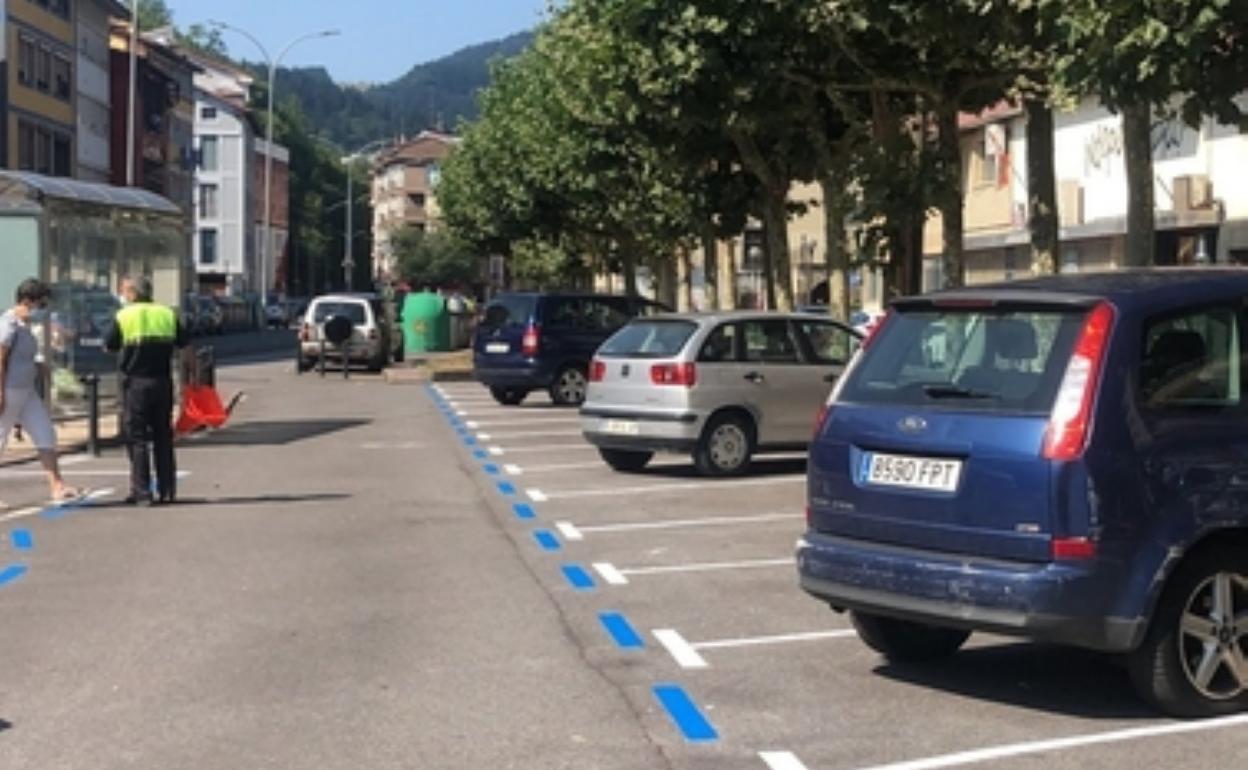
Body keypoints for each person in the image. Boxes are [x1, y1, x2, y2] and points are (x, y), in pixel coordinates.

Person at [105, 276, 188, 506]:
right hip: (162, 381)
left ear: (133, 293)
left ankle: (142, 491)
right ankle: (167, 489)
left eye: (124, 291)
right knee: (163, 436)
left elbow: (110, 344)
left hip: (136, 383)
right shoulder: (166, 314)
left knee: (137, 438)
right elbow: (185, 344)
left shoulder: (125, 315)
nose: (123, 295)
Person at [0, 278, 83, 507]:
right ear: (28, 301)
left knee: (44, 432)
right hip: (9, 389)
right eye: (41, 304)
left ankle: (57, 486)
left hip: (26, 390)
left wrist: (38, 366)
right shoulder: (8, 324)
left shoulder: (24, 326)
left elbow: (20, 357)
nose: (43, 309)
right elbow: (1, 358)